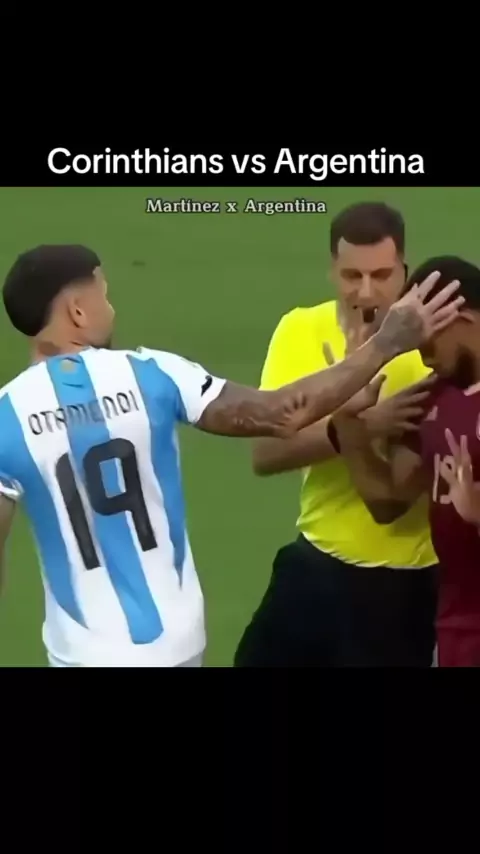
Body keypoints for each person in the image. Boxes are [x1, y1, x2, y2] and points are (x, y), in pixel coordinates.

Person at [0, 245, 460, 667]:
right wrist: (386, 343)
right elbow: (280, 414)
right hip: (176, 645)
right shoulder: (152, 374)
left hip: (83, 654)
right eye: (104, 295)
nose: (112, 308)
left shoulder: (8, 417)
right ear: (78, 311)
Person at [235, 202, 440, 668]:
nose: (365, 291)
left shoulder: (432, 346)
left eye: (381, 275)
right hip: (316, 563)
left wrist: (352, 426)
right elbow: (265, 453)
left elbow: (394, 499)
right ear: (332, 270)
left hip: (404, 585)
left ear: (404, 270)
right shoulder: (301, 328)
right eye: (352, 275)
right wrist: (361, 424)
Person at [331, 255, 480, 667]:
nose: (422, 355)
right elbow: (388, 500)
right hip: (455, 628)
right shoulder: (430, 397)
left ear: (462, 318)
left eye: (425, 340)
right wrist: (347, 422)